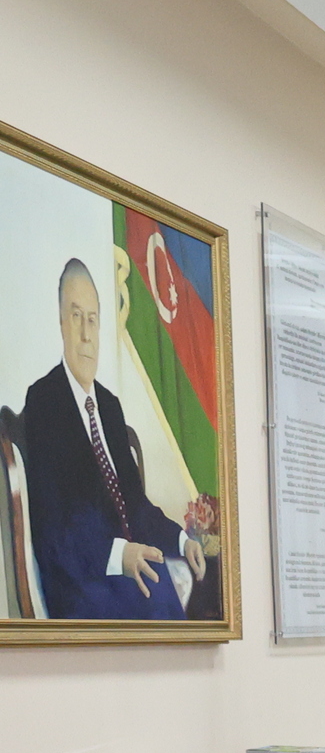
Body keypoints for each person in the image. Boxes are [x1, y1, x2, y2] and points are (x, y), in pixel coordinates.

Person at [19, 257, 198, 619]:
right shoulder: (43, 401)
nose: (86, 334)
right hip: (80, 580)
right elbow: (54, 527)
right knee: (158, 592)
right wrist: (119, 555)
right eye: (75, 316)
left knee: (190, 580)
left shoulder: (110, 406)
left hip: (125, 571)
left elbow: (135, 504)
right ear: (61, 323)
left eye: (92, 319)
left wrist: (182, 540)